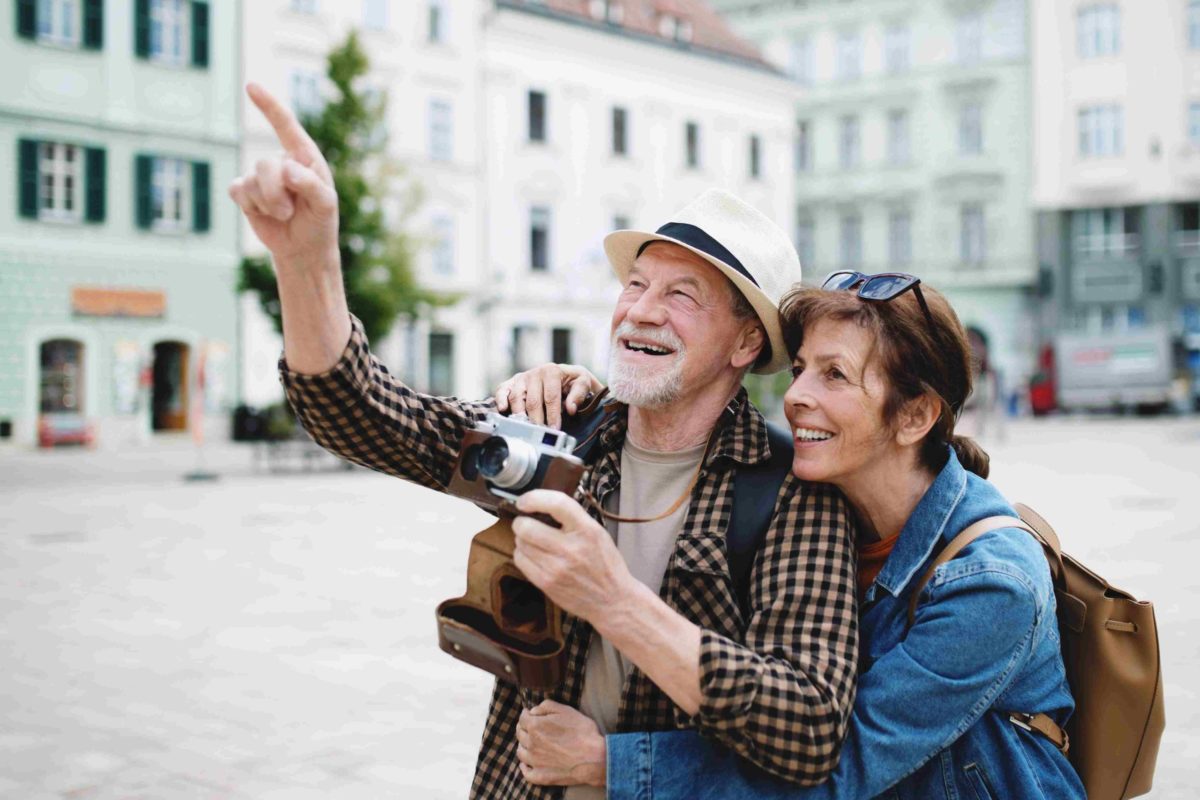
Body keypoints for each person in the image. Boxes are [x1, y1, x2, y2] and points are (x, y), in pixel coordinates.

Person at [226, 81, 858, 800]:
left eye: (681, 296)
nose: (641, 312)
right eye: (636, 284)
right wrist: (308, 262)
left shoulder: (789, 491)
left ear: (748, 340)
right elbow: (358, 413)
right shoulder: (567, 428)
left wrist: (614, 600)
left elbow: (810, 727)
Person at [513, 271, 1084, 799]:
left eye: (833, 375)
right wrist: (592, 401)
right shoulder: (821, 504)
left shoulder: (991, 584)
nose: (795, 397)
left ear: (914, 417)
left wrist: (607, 764)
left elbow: (837, 769)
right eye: (800, 369)